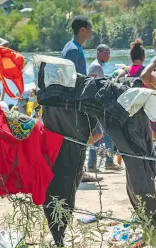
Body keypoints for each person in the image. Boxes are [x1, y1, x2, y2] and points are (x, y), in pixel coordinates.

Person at [60, 16, 103, 182]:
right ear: (83, 30)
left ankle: (78, 166)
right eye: (90, 28)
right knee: (96, 132)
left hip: (80, 97)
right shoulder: (72, 49)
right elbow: (68, 76)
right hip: (76, 100)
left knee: (92, 133)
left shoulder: (75, 47)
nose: (92, 31)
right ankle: (78, 167)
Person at [86, 44, 122, 172]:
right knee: (103, 133)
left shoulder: (96, 66)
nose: (109, 56)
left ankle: (100, 163)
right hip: (97, 106)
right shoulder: (96, 66)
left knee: (100, 134)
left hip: (96, 106)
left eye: (109, 53)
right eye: (107, 53)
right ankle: (101, 163)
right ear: (98, 52)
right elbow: (95, 87)